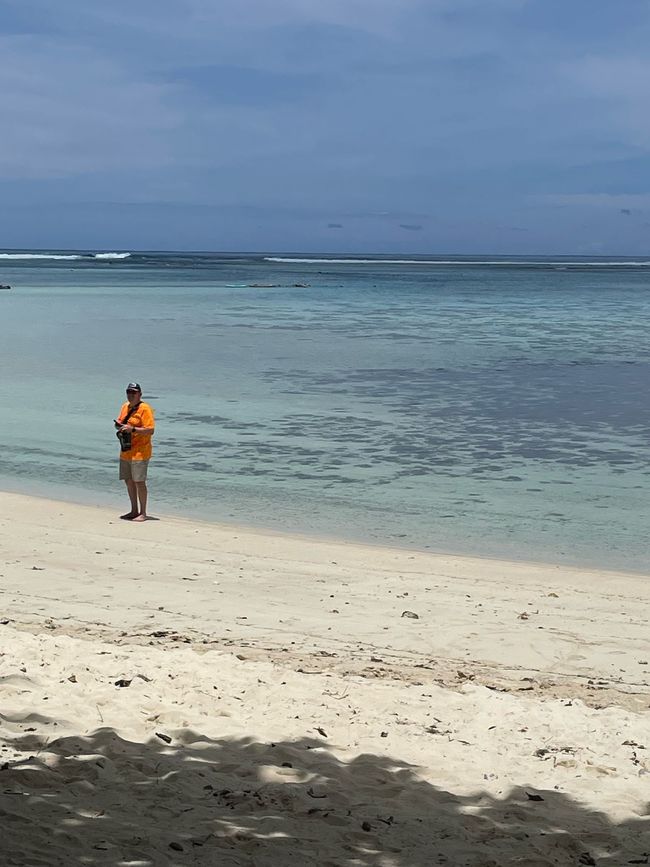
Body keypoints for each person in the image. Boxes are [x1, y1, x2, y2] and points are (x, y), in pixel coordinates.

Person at [115, 382, 155, 522]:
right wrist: (120, 426)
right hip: (126, 449)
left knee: (139, 481)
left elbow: (150, 430)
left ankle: (143, 513)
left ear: (139, 394)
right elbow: (121, 421)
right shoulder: (125, 406)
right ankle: (134, 510)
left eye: (133, 392)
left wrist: (133, 429)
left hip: (140, 451)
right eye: (128, 392)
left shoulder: (145, 409)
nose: (130, 395)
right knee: (128, 480)